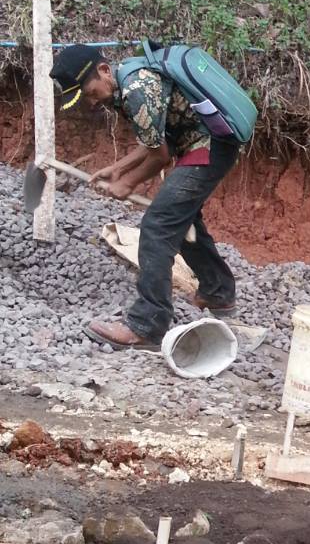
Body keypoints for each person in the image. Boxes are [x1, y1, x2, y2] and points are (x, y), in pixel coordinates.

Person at [50, 44, 240, 350]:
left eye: (87, 92)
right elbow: (155, 140)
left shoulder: (137, 88)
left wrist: (126, 185)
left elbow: (159, 156)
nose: (90, 101)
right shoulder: (124, 87)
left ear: (103, 70)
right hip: (201, 145)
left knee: (157, 226)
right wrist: (117, 169)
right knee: (182, 219)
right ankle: (218, 293)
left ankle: (147, 326)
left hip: (208, 147)